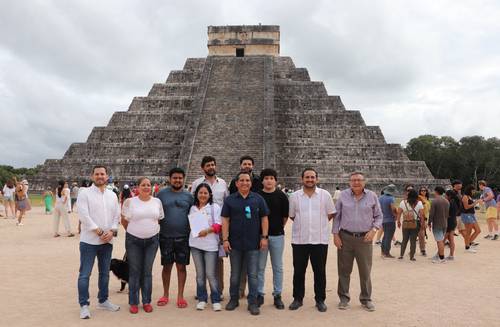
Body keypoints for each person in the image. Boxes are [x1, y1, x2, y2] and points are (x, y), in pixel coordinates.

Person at [222, 171, 269, 316]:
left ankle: (253, 302)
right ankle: (234, 299)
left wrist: (264, 237)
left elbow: (264, 218)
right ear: (236, 183)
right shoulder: (230, 200)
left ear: (251, 182)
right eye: (241, 180)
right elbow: (225, 220)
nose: (244, 183)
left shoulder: (258, 199)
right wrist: (225, 239)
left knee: (253, 274)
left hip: (253, 243)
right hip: (235, 243)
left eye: (247, 180)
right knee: (235, 274)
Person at [333, 172, 382, 312]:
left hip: (364, 238)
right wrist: (335, 234)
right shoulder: (343, 195)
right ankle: (343, 298)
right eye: (353, 180)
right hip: (345, 237)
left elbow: (379, 216)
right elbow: (337, 217)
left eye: (359, 180)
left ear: (364, 182)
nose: (356, 183)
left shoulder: (372, 196)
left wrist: (373, 230)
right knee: (343, 269)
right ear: (349, 182)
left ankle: (366, 299)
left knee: (365, 271)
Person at [76, 165, 121, 319]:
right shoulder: (85, 193)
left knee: (104, 274)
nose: (100, 176)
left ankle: (103, 300)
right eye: (97, 174)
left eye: (102, 174)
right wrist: (99, 231)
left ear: (107, 176)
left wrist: (112, 231)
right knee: (84, 274)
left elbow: (116, 215)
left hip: (107, 242)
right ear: (92, 176)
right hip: (89, 241)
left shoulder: (112, 195)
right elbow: (83, 215)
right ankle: (84, 305)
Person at [288, 168, 335, 312]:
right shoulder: (294, 196)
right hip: (300, 240)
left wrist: (317, 225)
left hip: (319, 240)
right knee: (299, 271)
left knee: (319, 271)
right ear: (302, 179)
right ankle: (297, 298)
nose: (310, 180)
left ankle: (320, 299)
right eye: (307, 177)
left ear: (317, 179)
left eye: (312, 177)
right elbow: (292, 216)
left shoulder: (325, 195)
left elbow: (330, 213)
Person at [121, 177, 163, 314]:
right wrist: (135, 232)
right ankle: (133, 302)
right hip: (134, 241)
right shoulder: (130, 202)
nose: (146, 187)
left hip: (152, 241)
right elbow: (124, 221)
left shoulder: (157, 201)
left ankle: (146, 301)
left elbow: (159, 219)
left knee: (147, 271)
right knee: (134, 271)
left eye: (148, 185)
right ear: (137, 187)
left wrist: (149, 231)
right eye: (143, 185)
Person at [190, 156, 229, 298]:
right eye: (208, 165)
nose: (211, 167)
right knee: (200, 262)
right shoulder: (196, 183)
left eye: (213, 164)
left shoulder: (223, 183)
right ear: (203, 168)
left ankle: (218, 290)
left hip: (218, 226)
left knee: (218, 261)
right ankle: (201, 291)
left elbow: (226, 204)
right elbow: (193, 204)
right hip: (200, 228)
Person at [156, 167, 194, 309]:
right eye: (175, 178)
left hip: (183, 237)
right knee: (166, 266)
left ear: (183, 179)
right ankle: (165, 294)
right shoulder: (161, 195)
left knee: (181, 267)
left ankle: (180, 296)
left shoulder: (189, 197)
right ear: (170, 179)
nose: (177, 180)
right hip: (165, 236)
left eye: (180, 178)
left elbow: (195, 214)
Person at [228, 155, 263, 298]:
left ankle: (254, 295)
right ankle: (240, 291)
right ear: (240, 165)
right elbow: (231, 200)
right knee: (238, 268)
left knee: (253, 268)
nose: (247, 166)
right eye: (244, 164)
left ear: (253, 166)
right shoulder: (234, 182)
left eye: (249, 164)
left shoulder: (258, 181)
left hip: (253, 222)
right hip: (238, 221)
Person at [257, 168, 289, 309]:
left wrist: (276, 228)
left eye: (271, 178)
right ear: (262, 180)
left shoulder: (281, 196)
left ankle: (277, 294)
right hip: (259, 236)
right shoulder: (257, 196)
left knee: (278, 267)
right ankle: (259, 294)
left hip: (277, 236)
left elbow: (285, 217)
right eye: (266, 178)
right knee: (260, 267)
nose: (269, 180)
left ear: (275, 180)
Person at [188, 183, 222, 311]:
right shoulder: (192, 208)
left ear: (210, 195)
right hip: (195, 244)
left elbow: (219, 225)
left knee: (210, 274)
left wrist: (207, 231)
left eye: (205, 193)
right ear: (196, 194)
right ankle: (202, 298)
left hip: (210, 245)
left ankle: (216, 299)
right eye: (200, 193)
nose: (203, 195)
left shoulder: (215, 207)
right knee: (200, 274)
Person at [396, 189, 424, 261]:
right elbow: (422, 215)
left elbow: (399, 213)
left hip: (406, 222)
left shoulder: (403, 202)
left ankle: (401, 255)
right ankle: (412, 257)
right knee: (413, 240)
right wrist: (422, 224)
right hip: (415, 223)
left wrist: (398, 221)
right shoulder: (419, 203)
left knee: (404, 239)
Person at [428, 186, 449, 264]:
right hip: (445, 223)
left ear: (436, 191)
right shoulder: (446, 201)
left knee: (439, 240)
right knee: (440, 240)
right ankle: (439, 255)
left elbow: (431, 214)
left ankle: (441, 258)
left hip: (437, 223)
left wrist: (429, 223)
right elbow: (447, 213)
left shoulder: (434, 201)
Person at [379, 184, 398, 258]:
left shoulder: (380, 198)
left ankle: (383, 251)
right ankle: (387, 252)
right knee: (388, 237)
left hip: (383, 219)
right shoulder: (391, 198)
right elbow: (393, 209)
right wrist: (396, 215)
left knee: (385, 236)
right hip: (390, 220)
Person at [461, 185, 481, 253]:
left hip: (471, 215)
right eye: (473, 190)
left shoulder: (469, 197)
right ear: (469, 190)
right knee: (468, 232)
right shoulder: (465, 197)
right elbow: (466, 207)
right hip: (466, 215)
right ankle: (467, 247)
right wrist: (475, 203)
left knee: (478, 230)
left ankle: (468, 243)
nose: (474, 192)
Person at [445, 190, 459, 260]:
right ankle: (451, 255)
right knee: (451, 239)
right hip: (453, 221)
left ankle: (439, 254)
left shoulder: (450, 203)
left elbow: (447, 213)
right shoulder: (455, 202)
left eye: (446, 195)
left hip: (449, 222)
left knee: (443, 239)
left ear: (449, 196)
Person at [417, 187, 430, 256]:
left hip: (425, 218)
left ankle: (421, 249)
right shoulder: (419, 198)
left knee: (421, 234)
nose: (423, 192)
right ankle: (423, 249)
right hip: (421, 218)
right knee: (421, 234)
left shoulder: (426, 198)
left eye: (425, 190)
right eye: (422, 190)